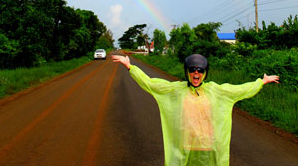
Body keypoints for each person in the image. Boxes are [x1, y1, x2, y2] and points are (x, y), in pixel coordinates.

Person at [111, 53, 279, 166]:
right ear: (187, 72)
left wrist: (261, 82)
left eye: (200, 70)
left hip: (209, 150)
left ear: (205, 73)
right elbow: (150, 83)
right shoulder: (176, 90)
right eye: (192, 70)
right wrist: (130, 67)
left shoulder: (216, 91)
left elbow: (240, 90)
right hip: (186, 149)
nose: (196, 73)